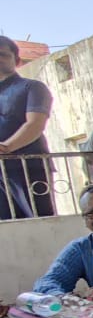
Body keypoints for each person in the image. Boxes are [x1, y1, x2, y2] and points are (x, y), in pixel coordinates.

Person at [0, 35, 54, 220]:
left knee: (38, 221)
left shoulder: (32, 87)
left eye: (3, 55)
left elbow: (35, 124)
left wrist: (5, 148)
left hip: (28, 166)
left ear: (17, 59)